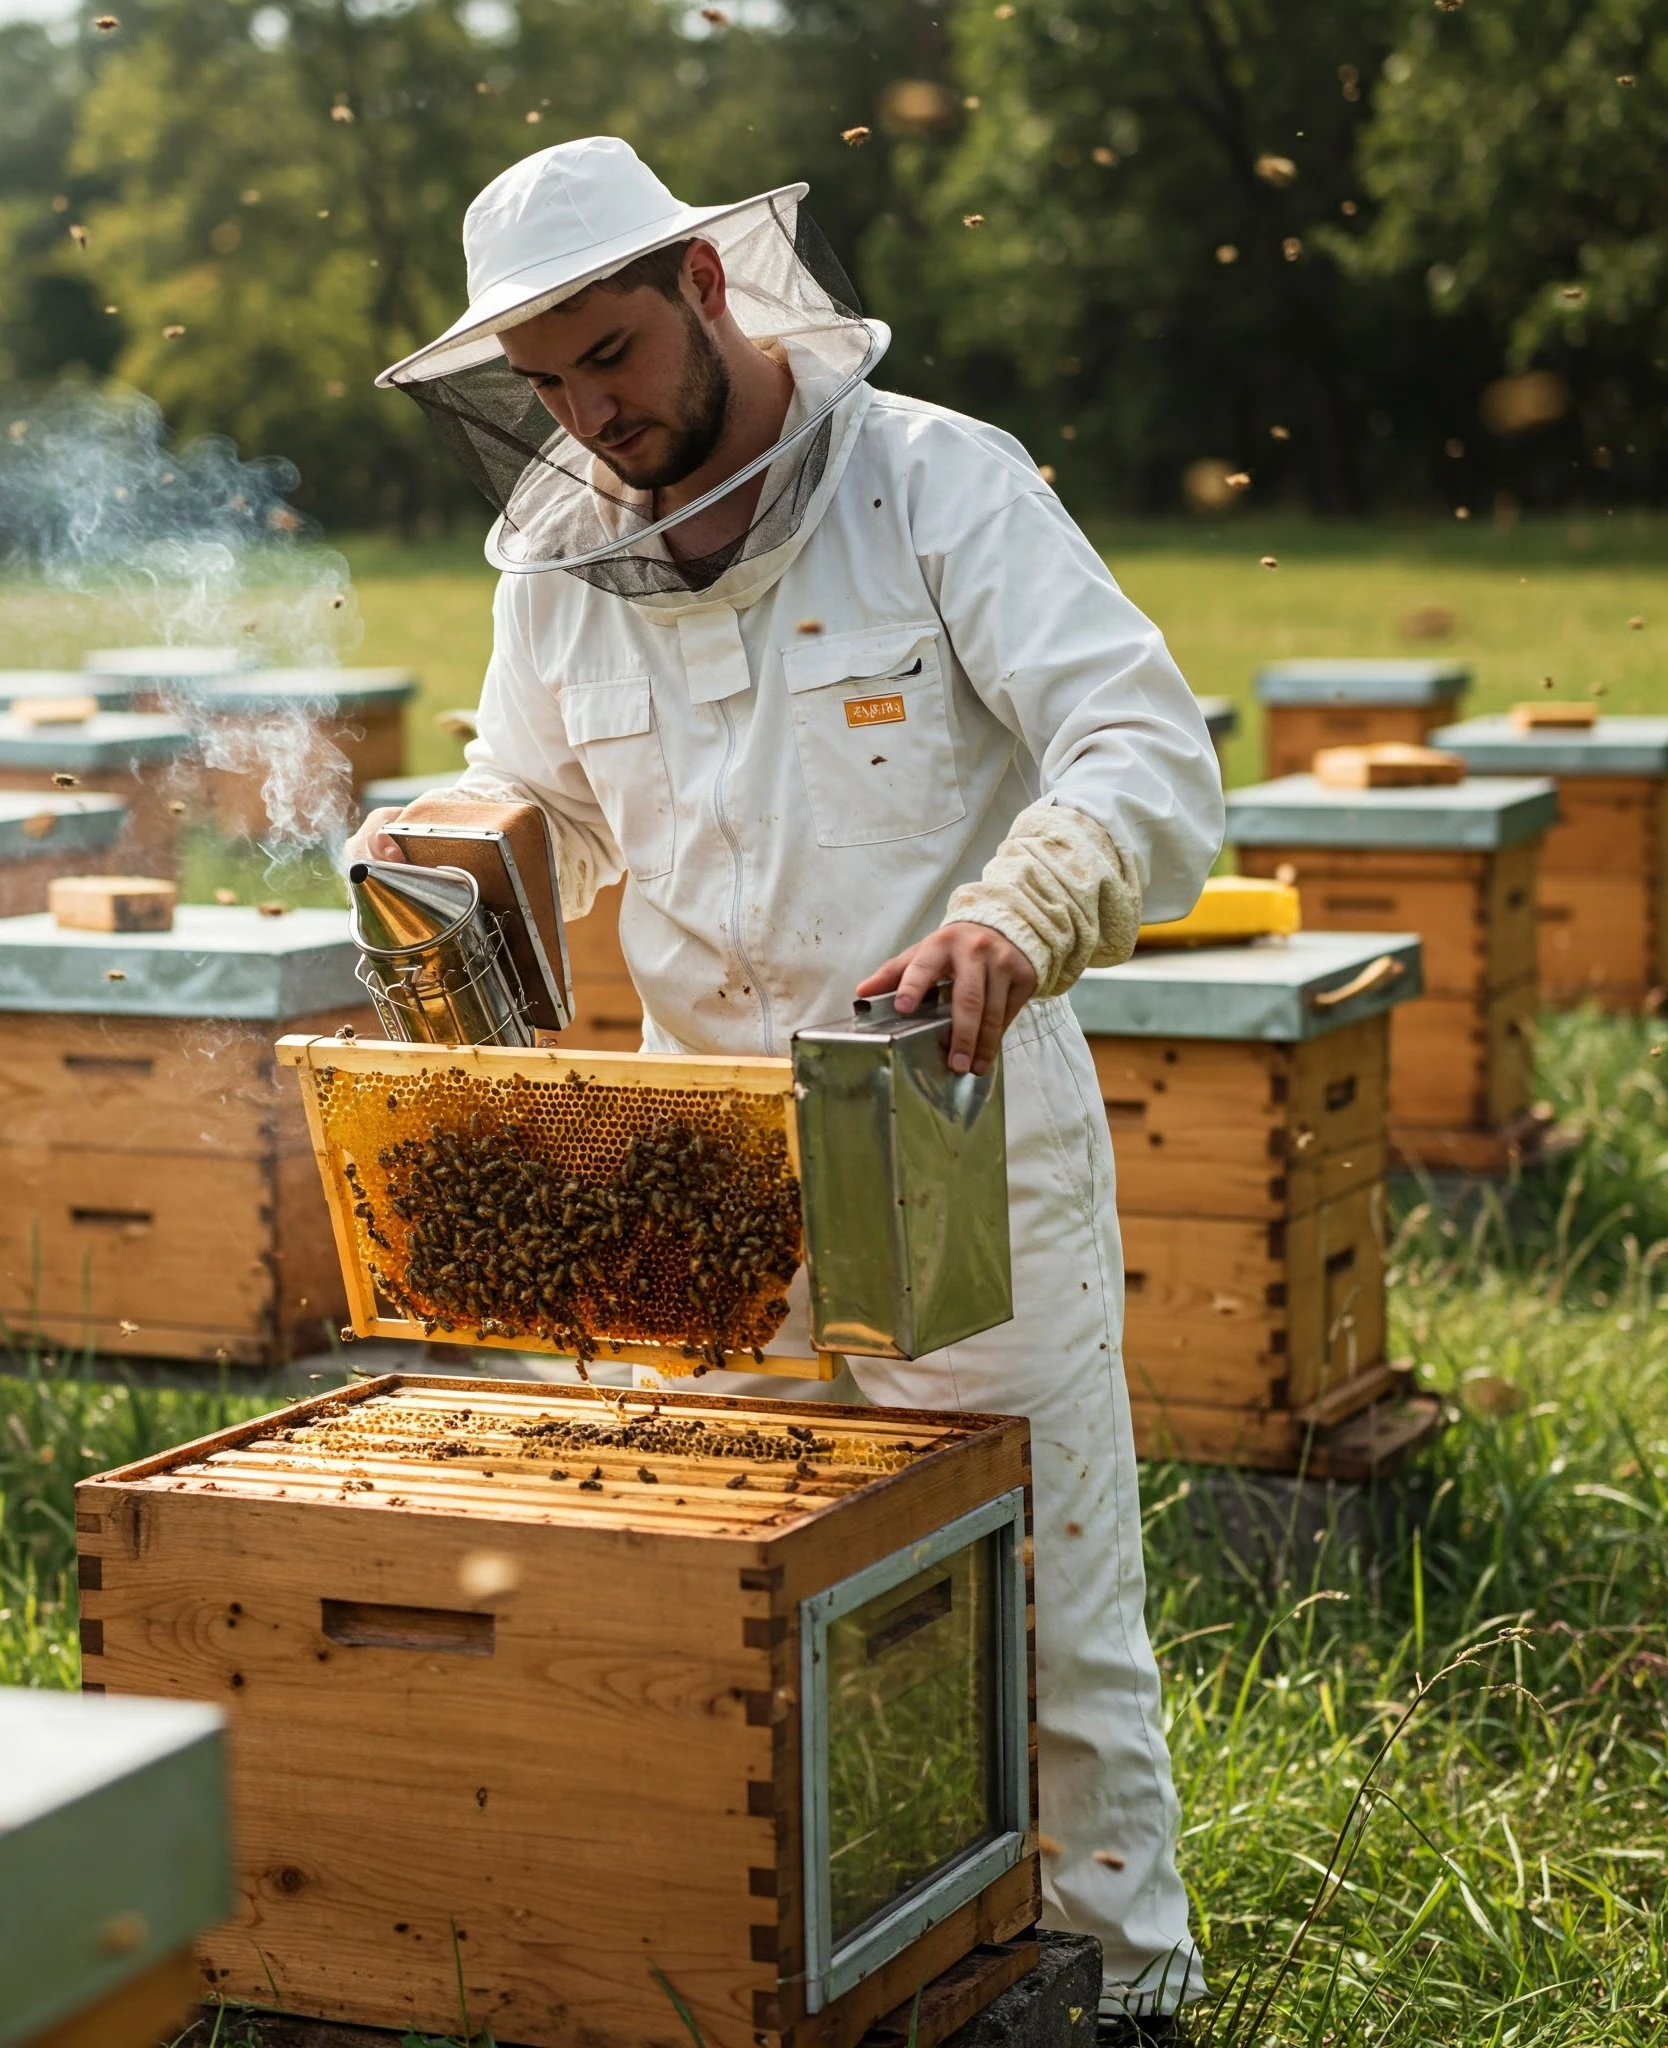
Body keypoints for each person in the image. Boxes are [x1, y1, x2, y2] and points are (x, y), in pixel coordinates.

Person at [352, 136, 1223, 2038]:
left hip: (959, 1132)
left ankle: (1127, 1989)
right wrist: (447, 862)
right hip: (707, 1178)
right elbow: (539, 814)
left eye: (612, 355)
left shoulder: (934, 483)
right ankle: (819, 1971)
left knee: (1046, 1618)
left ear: (708, 287)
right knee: (731, 1617)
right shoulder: (560, 573)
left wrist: (1022, 910)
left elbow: (1144, 751)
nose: (590, 411)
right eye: (550, 380)